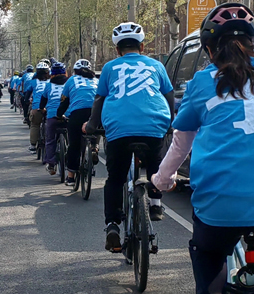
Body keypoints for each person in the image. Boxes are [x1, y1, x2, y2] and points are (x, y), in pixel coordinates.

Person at [151, 3, 254, 294]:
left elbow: (182, 141)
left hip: (222, 198)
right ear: (253, 43)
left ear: (208, 49)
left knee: (210, 259)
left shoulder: (202, 82)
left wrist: (163, 180)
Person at [83, 22, 175, 251]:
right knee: (155, 163)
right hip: (154, 125)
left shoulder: (110, 68)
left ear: (117, 50)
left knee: (115, 178)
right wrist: (170, 123)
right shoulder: (156, 65)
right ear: (142, 46)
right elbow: (169, 94)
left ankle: (113, 224)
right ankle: (155, 203)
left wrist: (92, 125)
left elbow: (99, 99)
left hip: (119, 128)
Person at [57, 59, 99, 186]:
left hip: (77, 114)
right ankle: (94, 147)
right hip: (95, 112)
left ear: (75, 71)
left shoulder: (71, 80)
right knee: (95, 128)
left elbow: (64, 101)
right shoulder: (97, 81)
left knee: (74, 145)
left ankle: (70, 177)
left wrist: (59, 115)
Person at [39, 62, 69, 174]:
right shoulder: (69, 83)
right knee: (72, 138)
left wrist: (42, 109)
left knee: (50, 139)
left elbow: (43, 101)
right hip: (68, 115)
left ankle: (51, 164)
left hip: (52, 115)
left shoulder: (48, 85)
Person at [24, 62, 51, 153]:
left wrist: (26, 101)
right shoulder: (51, 82)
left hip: (37, 107)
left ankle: (32, 145)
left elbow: (27, 94)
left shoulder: (33, 82)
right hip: (49, 108)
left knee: (35, 125)